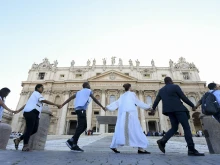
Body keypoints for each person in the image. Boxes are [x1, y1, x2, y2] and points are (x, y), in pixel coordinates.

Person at [150, 77, 204, 156]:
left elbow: (156, 101)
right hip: (179, 109)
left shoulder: (161, 90)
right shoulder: (175, 87)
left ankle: (162, 141)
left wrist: (153, 109)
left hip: (169, 111)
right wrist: (192, 105)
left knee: (174, 128)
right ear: (171, 81)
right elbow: (183, 97)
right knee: (186, 128)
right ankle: (191, 149)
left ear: (165, 82)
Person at [106, 83, 152, 154]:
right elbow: (138, 102)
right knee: (136, 130)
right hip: (130, 115)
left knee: (120, 130)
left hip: (123, 116)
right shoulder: (132, 94)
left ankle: (113, 145)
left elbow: (116, 103)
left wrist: (107, 107)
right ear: (130, 88)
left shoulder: (122, 96)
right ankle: (141, 148)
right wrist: (149, 107)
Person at [13, 84, 62, 151]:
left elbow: (26, 104)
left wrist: (18, 110)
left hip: (35, 113)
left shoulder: (34, 96)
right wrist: (56, 104)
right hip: (31, 112)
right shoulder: (36, 94)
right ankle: (25, 146)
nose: (43, 89)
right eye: (42, 88)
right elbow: (44, 101)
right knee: (29, 129)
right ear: (38, 88)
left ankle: (18, 139)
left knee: (35, 129)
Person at [61, 82, 106, 152]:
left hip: (78, 109)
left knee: (84, 126)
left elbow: (69, 98)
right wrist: (102, 106)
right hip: (81, 109)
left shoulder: (78, 92)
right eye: (89, 85)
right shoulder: (88, 91)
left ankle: (72, 140)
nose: (90, 86)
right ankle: (74, 144)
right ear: (87, 86)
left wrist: (62, 104)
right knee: (81, 126)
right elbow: (95, 99)